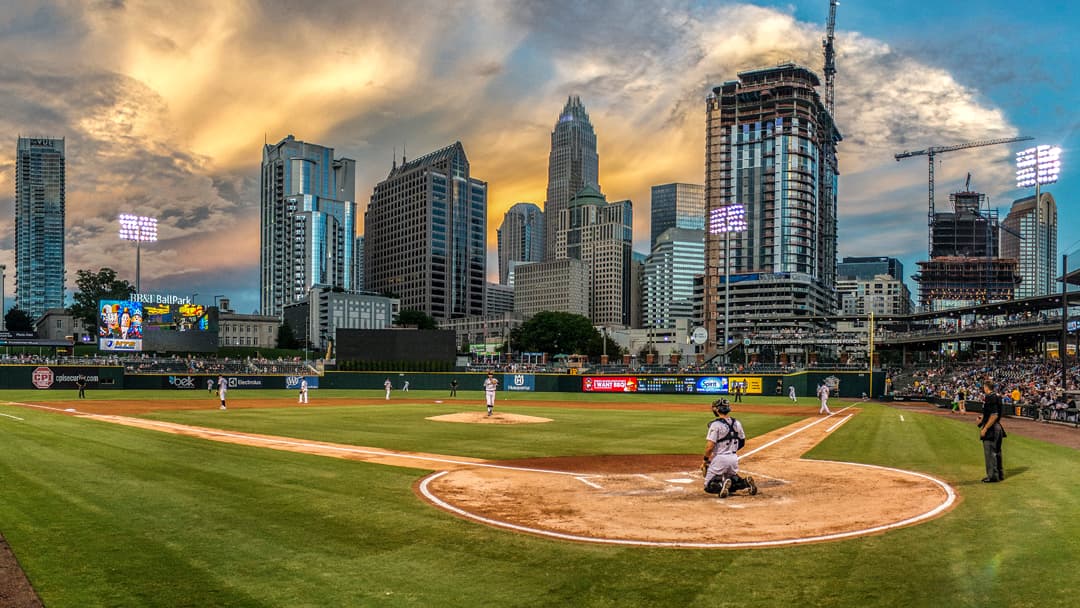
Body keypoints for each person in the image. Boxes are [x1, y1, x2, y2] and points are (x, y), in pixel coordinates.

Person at [701, 399, 757, 499]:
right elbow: (742, 442)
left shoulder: (715, 425)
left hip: (720, 459)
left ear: (717, 410)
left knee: (708, 485)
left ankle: (721, 486)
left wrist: (705, 460)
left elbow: (709, 447)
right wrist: (731, 449)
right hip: (734, 458)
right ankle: (745, 483)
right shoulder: (737, 423)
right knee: (731, 478)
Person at [977, 383, 1007, 483]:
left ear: (986, 387)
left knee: (990, 453)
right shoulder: (998, 397)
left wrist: (985, 428)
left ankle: (993, 476)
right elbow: (995, 414)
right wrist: (983, 418)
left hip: (992, 429)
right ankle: (999, 474)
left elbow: (994, 415)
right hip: (998, 427)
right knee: (997, 452)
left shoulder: (990, 397)